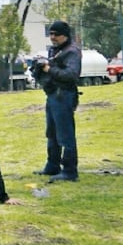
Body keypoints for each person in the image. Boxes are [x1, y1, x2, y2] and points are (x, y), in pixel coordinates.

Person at [32, 20, 82, 182]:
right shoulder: (56, 51)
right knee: (52, 133)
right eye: (51, 34)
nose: (52, 37)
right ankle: (52, 165)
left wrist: (49, 68)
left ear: (65, 35)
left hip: (64, 96)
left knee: (65, 134)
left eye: (56, 34)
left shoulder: (72, 52)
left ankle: (69, 171)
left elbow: (71, 75)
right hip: (53, 94)